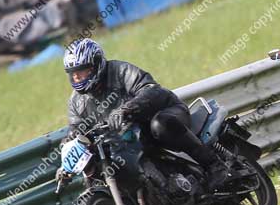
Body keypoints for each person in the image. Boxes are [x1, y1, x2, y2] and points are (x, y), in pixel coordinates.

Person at [55, 38, 225, 191]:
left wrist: (127, 109)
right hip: (128, 137)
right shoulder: (76, 102)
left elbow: (150, 89)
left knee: (160, 126)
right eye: (73, 73)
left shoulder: (119, 71)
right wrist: (68, 151)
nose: (77, 76)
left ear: (96, 64)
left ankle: (215, 166)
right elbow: (76, 128)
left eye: (82, 71)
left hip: (164, 113)